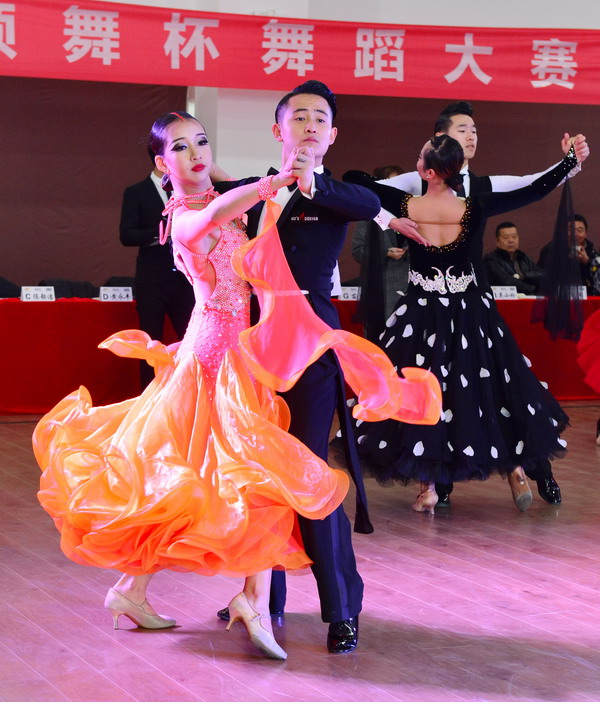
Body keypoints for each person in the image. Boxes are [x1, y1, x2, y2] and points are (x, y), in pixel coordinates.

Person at [33, 111, 440, 661]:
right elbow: (224, 209)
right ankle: (249, 599)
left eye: (201, 142)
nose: (196, 154)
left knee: (212, 478)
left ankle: (140, 589)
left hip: (243, 352)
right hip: (215, 357)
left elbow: (249, 192)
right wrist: (277, 180)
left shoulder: (216, 192)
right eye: (180, 148)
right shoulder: (186, 218)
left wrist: (382, 214)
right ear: (162, 164)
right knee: (242, 474)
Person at [212, 81, 385, 654]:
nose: (310, 126)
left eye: (320, 119)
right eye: (299, 116)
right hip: (251, 352)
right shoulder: (254, 192)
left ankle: (341, 608)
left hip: (309, 351)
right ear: (277, 129)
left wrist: (312, 182)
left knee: (307, 474)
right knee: (258, 475)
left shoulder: (338, 194)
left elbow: (369, 207)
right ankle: (264, 596)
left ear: (332, 135)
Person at [344, 132, 588, 515]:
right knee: (490, 390)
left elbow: (354, 179)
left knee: (422, 392)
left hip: (421, 315)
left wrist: (392, 215)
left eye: (421, 157)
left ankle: (428, 485)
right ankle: (514, 469)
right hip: (472, 313)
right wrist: (570, 162)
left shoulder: (406, 203)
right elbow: (536, 189)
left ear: (426, 171)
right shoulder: (477, 206)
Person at [119, 149, 196, 388]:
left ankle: (190, 393)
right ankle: (149, 396)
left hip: (185, 280)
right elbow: (127, 235)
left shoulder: (189, 191)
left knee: (192, 339)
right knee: (151, 342)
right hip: (152, 280)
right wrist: (163, 231)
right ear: (160, 160)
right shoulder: (136, 192)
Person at [352, 165, 410, 339]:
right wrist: (385, 252)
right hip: (380, 290)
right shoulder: (370, 215)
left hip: (411, 288)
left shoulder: (414, 212)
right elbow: (357, 250)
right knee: (380, 340)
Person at [538, 214, 599, 296]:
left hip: (587, 296)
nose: (575, 234)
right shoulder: (550, 250)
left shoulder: (592, 253)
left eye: (580, 230)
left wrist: (587, 262)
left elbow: (597, 281)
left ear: (585, 234)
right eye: (571, 230)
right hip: (558, 296)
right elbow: (543, 277)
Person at [483, 221, 544, 295]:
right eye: (506, 237)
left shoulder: (524, 258)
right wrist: (532, 288)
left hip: (529, 297)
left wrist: (523, 276)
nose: (511, 240)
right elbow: (505, 281)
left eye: (514, 237)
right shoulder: (490, 259)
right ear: (497, 241)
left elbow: (542, 276)